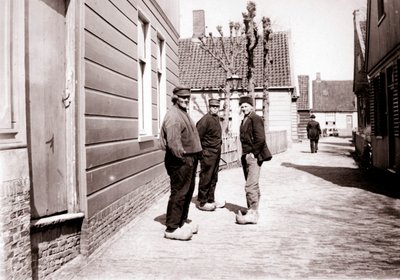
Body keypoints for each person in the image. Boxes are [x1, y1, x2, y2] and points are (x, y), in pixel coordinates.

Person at [160, 85, 202, 240]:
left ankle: (181, 222)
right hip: (180, 160)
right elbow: (173, 141)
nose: (186, 100)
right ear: (175, 98)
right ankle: (171, 228)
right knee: (179, 193)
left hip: (189, 159)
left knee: (187, 192)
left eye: (188, 98)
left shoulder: (182, 112)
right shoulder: (173, 115)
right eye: (183, 97)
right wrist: (182, 158)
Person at [236, 95, 272, 225]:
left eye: (246, 106)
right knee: (253, 184)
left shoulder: (255, 119)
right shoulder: (245, 119)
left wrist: (253, 154)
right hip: (246, 156)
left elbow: (261, 139)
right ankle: (252, 209)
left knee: (250, 185)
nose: (244, 108)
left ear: (252, 106)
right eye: (242, 106)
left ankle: (253, 212)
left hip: (253, 157)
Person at [196, 98, 225, 211]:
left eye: (217, 107)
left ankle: (210, 199)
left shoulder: (216, 118)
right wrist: (201, 154)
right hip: (207, 153)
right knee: (206, 177)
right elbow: (197, 138)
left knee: (213, 177)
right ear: (209, 107)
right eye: (213, 107)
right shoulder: (205, 120)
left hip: (216, 152)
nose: (215, 109)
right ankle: (202, 202)